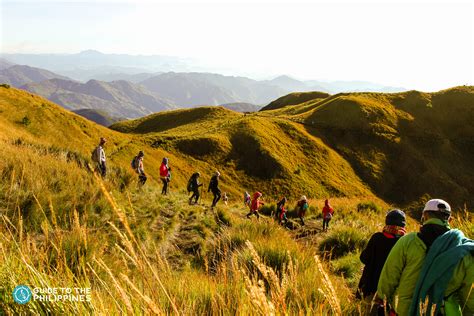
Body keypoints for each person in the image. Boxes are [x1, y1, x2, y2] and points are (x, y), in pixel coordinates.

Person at [377, 199, 474, 316]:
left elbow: (390, 275)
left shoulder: (407, 242)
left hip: (404, 310)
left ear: (424, 216)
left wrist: (382, 299)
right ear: (449, 219)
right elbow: (469, 298)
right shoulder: (463, 251)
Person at [356, 210, 407, 311]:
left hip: (370, 285)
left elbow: (364, 258)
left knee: (366, 311)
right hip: (390, 291)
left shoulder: (377, 238)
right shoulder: (403, 243)